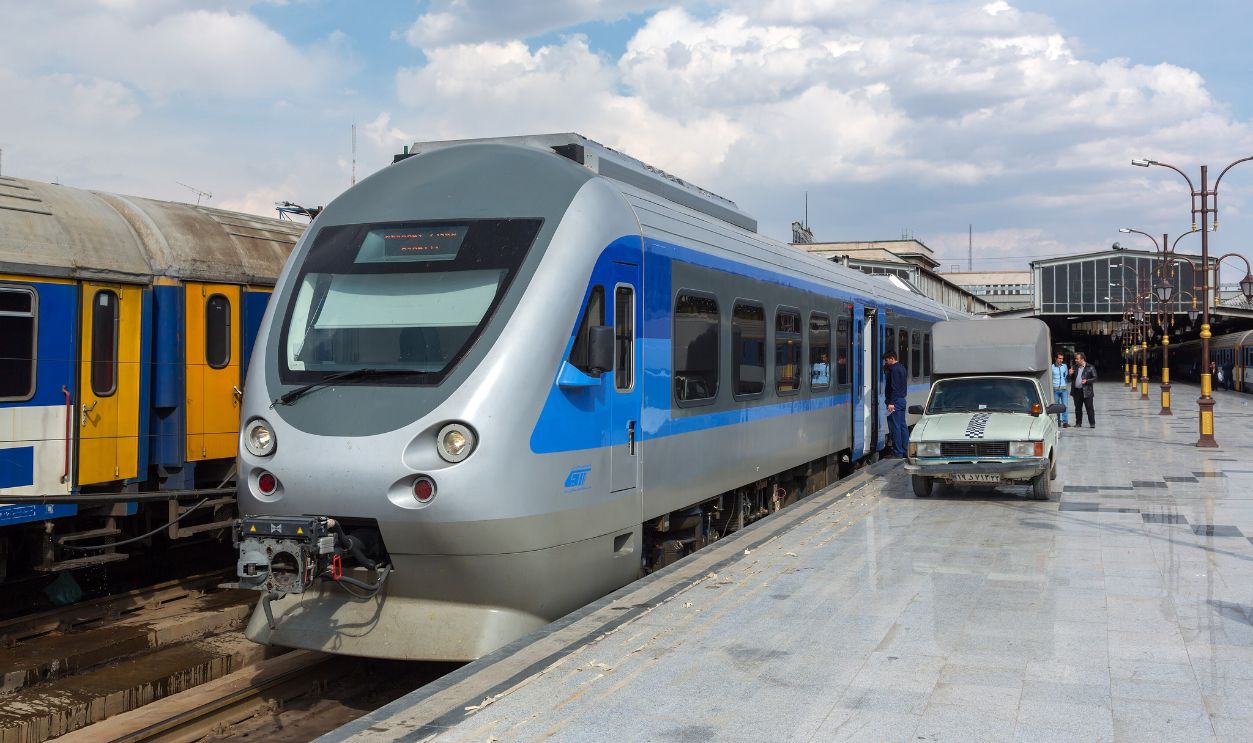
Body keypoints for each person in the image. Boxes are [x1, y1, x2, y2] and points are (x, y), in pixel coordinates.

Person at [883, 351, 908, 458]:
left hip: (895, 402)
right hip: (902, 400)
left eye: (887, 360)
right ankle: (905, 450)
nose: (886, 362)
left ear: (892, 358)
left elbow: (894, 387)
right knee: (902, 426)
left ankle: (897, 452)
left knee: (895, 426)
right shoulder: (902, 368)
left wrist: (891, 403)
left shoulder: (893, 369)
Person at [1070, 352, 1097, 428]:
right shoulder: (1074, 367)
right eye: (1075, 359)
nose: (1076, 360)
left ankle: (1092, 423)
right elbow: (1071, 379)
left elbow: (1095, 377)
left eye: (1077, 359)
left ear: (1082, 359)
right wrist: (1070, 374)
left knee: (1089, 408)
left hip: (1087, 391)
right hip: (1077, 391)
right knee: (1078, 408)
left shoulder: (1090, 367)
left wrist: (1087, 381)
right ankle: (1078, 423)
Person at [1050, 352, 1071, 428]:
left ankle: (1065, 422)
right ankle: (1058, 422)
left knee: (1065, 406)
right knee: (1057, 407)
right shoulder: (1051, 367)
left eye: (1062, 358)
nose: (1061, 360)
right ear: (1055, 358)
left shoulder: (1065, 366)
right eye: (1059, 358)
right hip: (1055, 389)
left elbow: (1066, 377)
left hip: (1064, 389)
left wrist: (1070, 375)